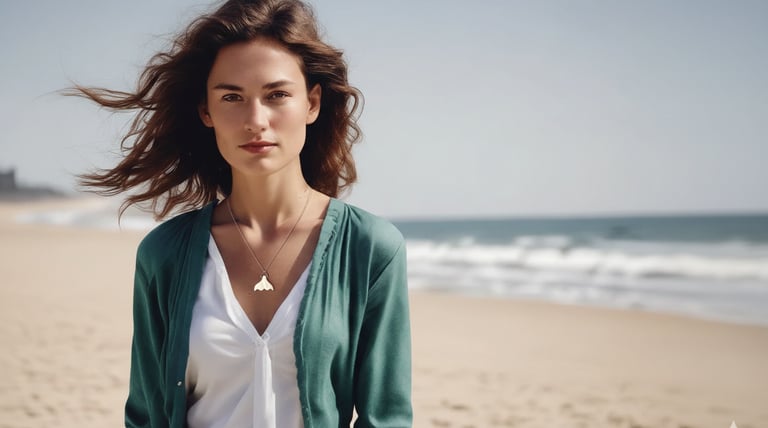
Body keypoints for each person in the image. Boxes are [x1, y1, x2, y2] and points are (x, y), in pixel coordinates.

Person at [70, 0, 412, 427]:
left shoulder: (368, 247)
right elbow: (145, 415)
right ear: (206, 112)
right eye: (232, 96)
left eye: (276, 95)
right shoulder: (164, 254)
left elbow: (387, 418)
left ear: (312, 103)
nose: (256, 120)